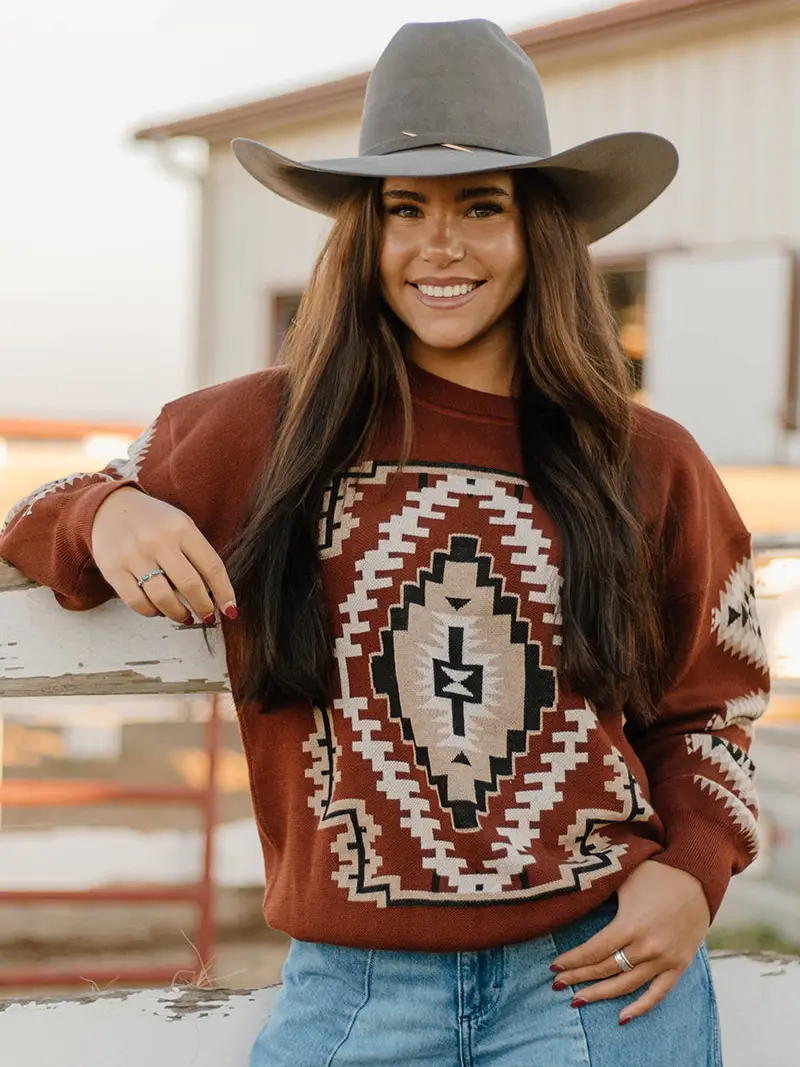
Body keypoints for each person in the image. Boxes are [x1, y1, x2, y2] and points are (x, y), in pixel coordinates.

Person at [0, 19, 769, 1067]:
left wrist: (691, 868)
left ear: (539, 229)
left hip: (602, 974)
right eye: (404, 209)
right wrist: (108, 512)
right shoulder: (258, 431)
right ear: (364, 234)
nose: (437, 246)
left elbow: (713, 706)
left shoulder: (646, 459)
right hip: (353, 991)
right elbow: (34, 514)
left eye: (481, 206)